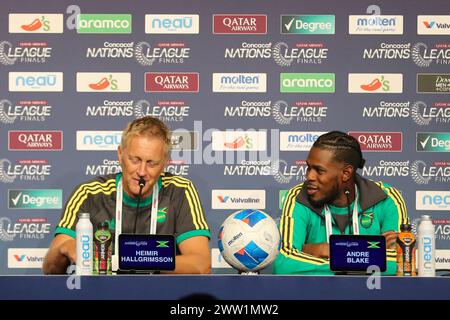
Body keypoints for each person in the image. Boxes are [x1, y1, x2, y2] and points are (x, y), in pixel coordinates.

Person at [43, 116, 211, 274]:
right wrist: (64, 248)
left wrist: (137, 259)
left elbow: (201, 265)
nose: (142, 171)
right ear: (120, 154)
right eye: (135, 160)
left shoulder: (180, 191)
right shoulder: (89, 193)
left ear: (165, 162)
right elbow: (50, 268)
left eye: (151, 163)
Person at [273, 131, 408, 275]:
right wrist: (367, 254)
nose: (309, 176)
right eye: (308, 167)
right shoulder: (298, 198)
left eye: (319, 170)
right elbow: (284, 263)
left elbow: (403, 263)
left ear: (346, 173)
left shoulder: (387, 198)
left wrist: (321, 250)